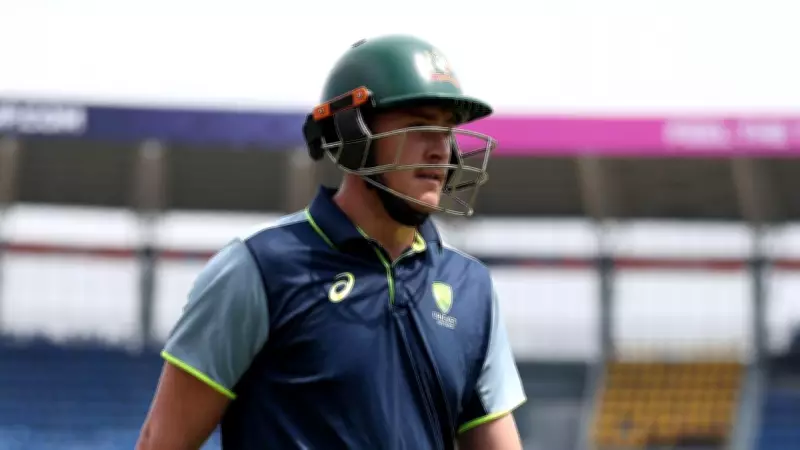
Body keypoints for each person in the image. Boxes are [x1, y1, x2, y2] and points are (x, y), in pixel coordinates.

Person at [136, 34, 526, 450]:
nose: (441, 151)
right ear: (353, 133)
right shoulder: (260, 267)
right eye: (420, 126)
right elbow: (162, 443)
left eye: (447, 130)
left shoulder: (471, 287)